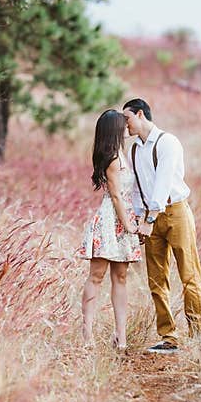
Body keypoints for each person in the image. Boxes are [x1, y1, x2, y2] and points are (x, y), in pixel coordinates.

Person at [123, 98, 201, 354]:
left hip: (175, 212)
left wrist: (149, 219)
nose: (125, 125)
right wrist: (139, 218)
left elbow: (163, 182)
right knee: (156, 278)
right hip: (149, 218)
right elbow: (136, 188)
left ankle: (197, 334)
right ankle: (169, 337)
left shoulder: (167, 142)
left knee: (188, 274)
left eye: (127, 118)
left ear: (139, 114)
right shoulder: (134, 149)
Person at [77, 109, 141, 350]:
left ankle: (120, 336)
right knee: (97, 275)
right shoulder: (113, 158)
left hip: (123, 219)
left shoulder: (122, 153)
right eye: (122, 124)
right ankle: (87, 334)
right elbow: (115, 196)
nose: (127, 127)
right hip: (111, 221)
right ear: (114, 129)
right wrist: (128, 226)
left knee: (121, 278)